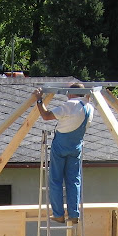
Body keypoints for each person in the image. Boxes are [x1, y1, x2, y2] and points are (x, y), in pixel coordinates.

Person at [32, 82, 94, 224]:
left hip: (61, 146)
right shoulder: (89, 108)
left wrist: (39, 99)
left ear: (70, 93)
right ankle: (74, 214)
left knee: (56, 180)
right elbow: (86, 100)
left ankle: (59, 214)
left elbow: (46, 116)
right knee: (74, 180)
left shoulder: (70, 105)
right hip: (76, 146)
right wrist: (88, 94)